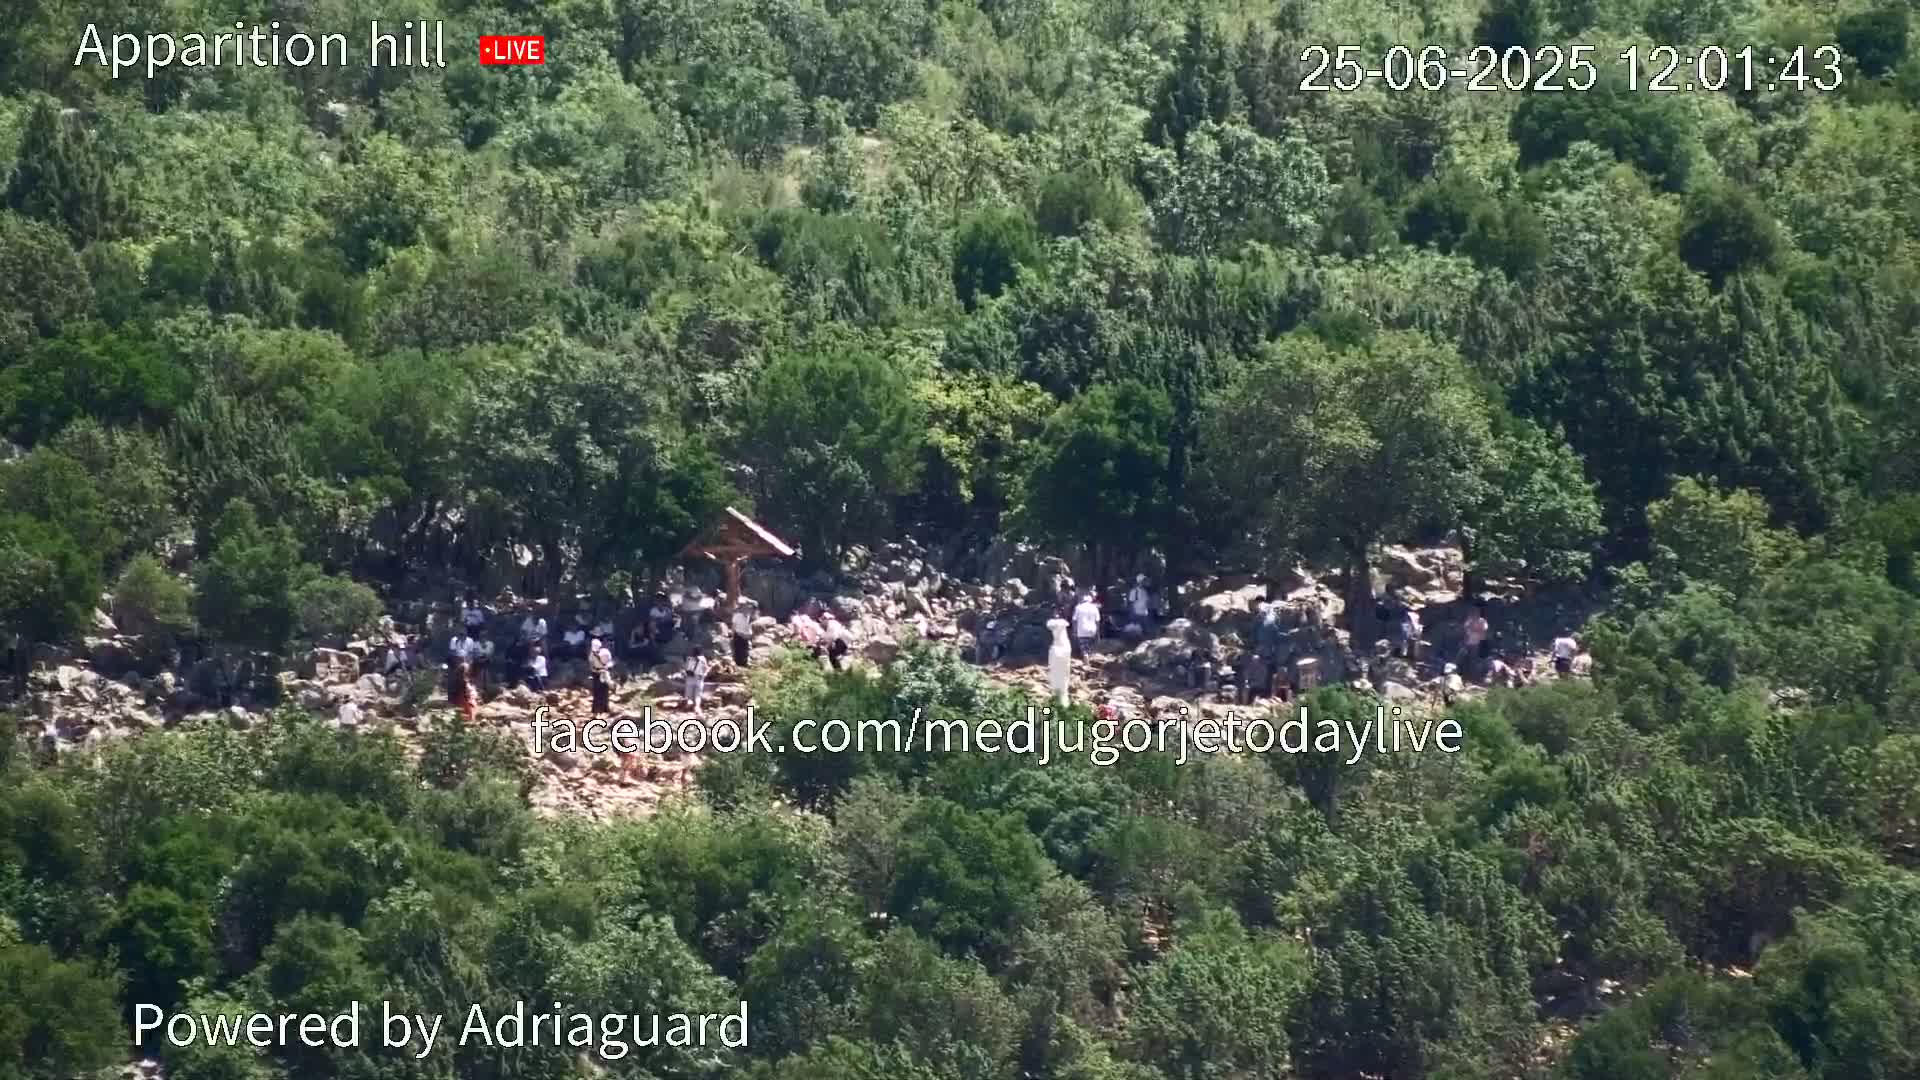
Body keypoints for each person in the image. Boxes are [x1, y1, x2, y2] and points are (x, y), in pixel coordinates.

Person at [588, 637, 612, 717]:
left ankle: (603, 710)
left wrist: (604, 669)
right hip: (598, 674)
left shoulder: (604, 652)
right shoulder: (592, 655)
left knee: (603, 691)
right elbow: (592, 667)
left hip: (602, 673)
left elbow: (609, 662)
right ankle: (598, 711)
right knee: (598, 692)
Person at [1071, 592, 1100, 659]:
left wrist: (1074, 630)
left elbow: (1074, 620)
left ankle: (1086, 660)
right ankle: (1090, 660)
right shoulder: (1094, 608)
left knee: (1084, 649)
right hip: (1092, 630)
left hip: (1082, 631)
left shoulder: (1078, 607)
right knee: (1090, 648)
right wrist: (1097, 632)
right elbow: (1097, 621)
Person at [683, 648, 710, 718]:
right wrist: (705, 674)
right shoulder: (703, 659)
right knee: (698, 695)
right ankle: (697, 707)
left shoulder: (689, 658)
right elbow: (706, 669)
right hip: (699, 679)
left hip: (690, 678)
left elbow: (686, 668)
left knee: (689, 694)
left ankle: (689, 703)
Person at [1463, 604, 1490, 670]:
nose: (1474, 613)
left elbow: (1484, 631)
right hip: (1469, 642)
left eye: (1476, 612)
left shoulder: (1482, 621)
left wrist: (1474, 630)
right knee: (1468, 656)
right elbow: (1466, 629)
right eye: (1473, 612)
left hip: (1479, 642)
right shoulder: (1469, 620)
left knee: (1475, 657)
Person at [730, 601, 754, 668]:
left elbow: (749, 627)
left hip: (746, 637)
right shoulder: (737, 616)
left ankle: (744, 665)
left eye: (750, 609)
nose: (748, 610)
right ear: (743, 609)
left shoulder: (749, 617)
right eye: (747, 608)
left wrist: (749, 635)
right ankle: (738, 666)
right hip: (738, 636)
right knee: (738, 652)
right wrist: (732, 635)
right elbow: (733, 626)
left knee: (745, 652)